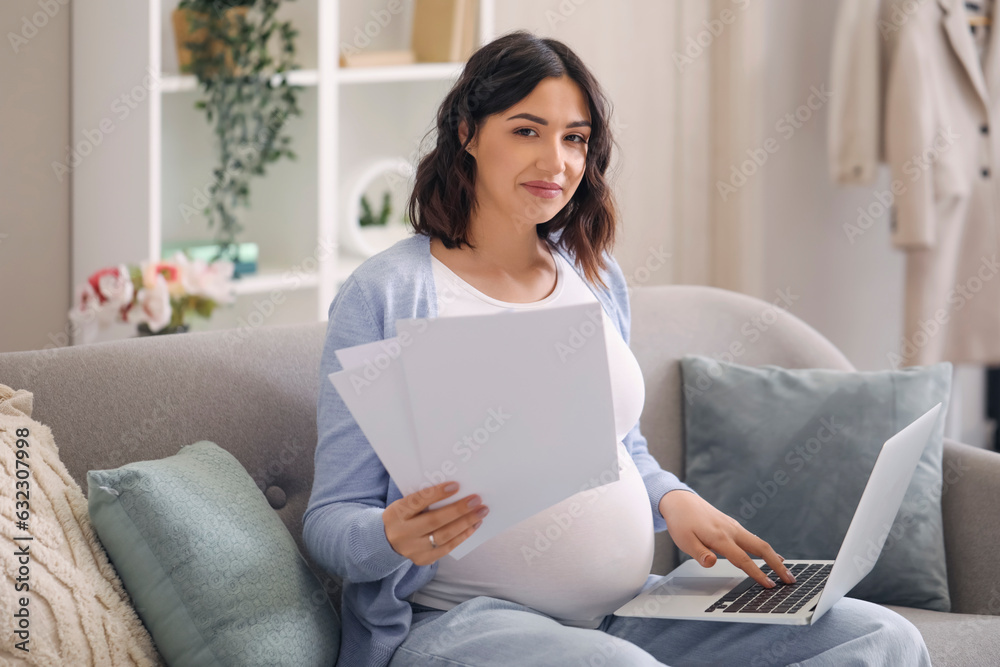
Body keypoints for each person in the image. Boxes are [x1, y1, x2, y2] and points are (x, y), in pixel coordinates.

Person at [303, 30, 931, 667]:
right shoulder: (387, 293)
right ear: (467, 132)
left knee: (882, 636)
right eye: (526, 131)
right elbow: (331, 521)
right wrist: (390, 537)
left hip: (627, 613)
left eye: (574, 138)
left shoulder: (593, 274)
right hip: (460, 624)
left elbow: (619, 447)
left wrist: (672, 500)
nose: (555, 162)